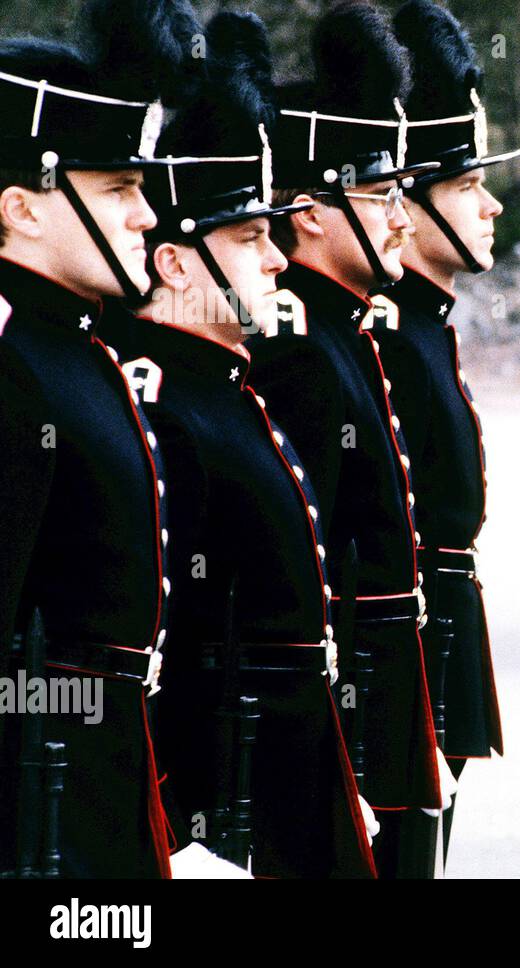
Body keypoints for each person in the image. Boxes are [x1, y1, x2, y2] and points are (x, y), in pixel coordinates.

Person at [98, 9, 376, 878]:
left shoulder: (223, 392)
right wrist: (188, 821)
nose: (279, 259)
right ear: (178, 265)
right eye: (251, 238)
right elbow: (166, 654)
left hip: (288, 776)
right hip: (225, 804)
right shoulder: (167, 409)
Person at [0, 0, 227, 879]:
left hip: (103, 791)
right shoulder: (18, 368)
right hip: (44, 812)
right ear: (22, 208)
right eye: (119, 191)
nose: (146, 216)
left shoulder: (76, 349)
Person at [246, 0, 448, 879]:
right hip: (348, 706)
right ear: (310, 212)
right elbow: (309, 575)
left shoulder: (347, 333)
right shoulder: (297, 351)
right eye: (379, 194)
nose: (403, 217)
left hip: (389, 700)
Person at [370, 0, 520, 864]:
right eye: (467, 186)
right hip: (407, 637)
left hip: (444, 625)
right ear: (407, 202)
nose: (492, 205)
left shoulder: (423, 319)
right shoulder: (388, 328)